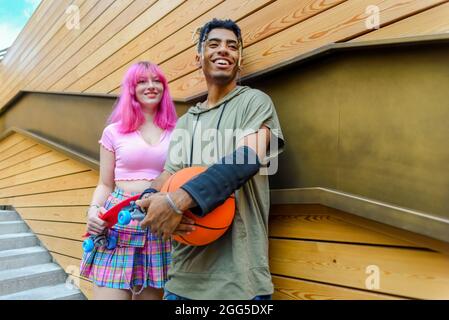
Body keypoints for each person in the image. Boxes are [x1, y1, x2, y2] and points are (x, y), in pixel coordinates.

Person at [135, 19, 285, 300]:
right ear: (199, 58)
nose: (223, 50)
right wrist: (151, 198)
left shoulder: (255, 102)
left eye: (232, 46)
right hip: (181, 281)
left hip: (241, 283)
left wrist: (177, 201)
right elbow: (168, 174)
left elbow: (245, 160)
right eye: (213, 44)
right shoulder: (185, 123)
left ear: (239, 60)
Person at [79, 61, 177, 300]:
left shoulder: (178, 130)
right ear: (131, 89)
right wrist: (92, 211)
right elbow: (105, 184)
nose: (151, 86)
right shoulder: (113, 132)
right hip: (118, 224)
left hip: (158, 221)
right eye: (142, 81)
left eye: (156, 80)